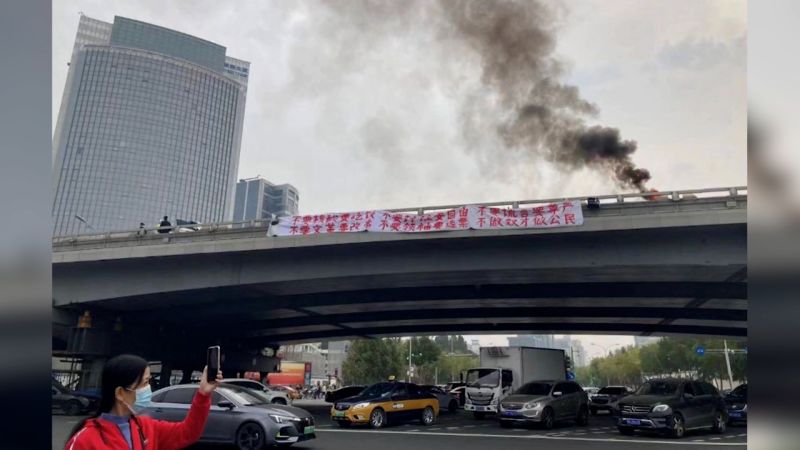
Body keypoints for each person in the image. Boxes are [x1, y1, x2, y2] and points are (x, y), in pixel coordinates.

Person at [65, 354, 222, 450]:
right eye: (145, 383)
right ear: (120, 393)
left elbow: (188, 433)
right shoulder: (85, 440)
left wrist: (203, 394)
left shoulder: (146, 427)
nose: (149, 389)